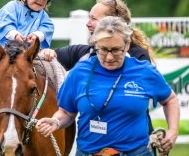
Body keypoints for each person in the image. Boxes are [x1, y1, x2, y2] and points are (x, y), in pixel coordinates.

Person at [36, 16, 180, 156]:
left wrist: (173, 132)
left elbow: (170, 100)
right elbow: (67, 113)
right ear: (95, 44)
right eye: (103, 49)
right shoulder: (79, 73)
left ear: (127, 45)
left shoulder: (144, 72)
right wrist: (55, 121)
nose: (109, 57)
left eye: (116, 50)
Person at [42, 0, 156, 69]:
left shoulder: (137, 56)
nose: (87, 24)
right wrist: (48, 53)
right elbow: (49, 55)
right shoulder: (85, 53)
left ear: (113, 22)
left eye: (93, 19)